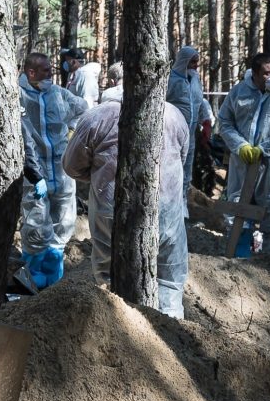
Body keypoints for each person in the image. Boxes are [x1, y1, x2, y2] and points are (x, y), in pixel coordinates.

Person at [63, 83, 192, 318]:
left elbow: (71, 165)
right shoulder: (173, 113)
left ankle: (119, 331)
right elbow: (183, 155)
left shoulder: (97, 117)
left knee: (109, 276)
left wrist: (98, 176)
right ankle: (171, 334)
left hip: (111, 208)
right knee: (169, 278)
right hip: (168, 208)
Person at [215, 51, 270, 256]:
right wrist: (240, 146)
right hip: (244, 162)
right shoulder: (239, 92)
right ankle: (239, 258)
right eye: (266, 73)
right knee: (238, 209)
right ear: (254, 74)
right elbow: (225, 121)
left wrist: (265, 148)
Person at [17, 50, 85, 290]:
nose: (51, 74)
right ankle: (33, 282)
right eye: (46, 70)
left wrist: (72, 130)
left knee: (63, 225)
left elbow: (83, 108)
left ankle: (53, 283)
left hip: (62, 172)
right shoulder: (18, 96)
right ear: (31, 72)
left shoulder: (58, 94)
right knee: (35, 227)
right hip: (35, 174)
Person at [166, 44, 210, 188]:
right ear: (183, 60)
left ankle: (183, 208)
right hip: (171, 136)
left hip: (190, 136)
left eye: (197, 62)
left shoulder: (195, 79)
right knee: (170, 174)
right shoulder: (170, 80)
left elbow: (200, 101)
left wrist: (206, 121)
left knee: (186, 175)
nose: (196, 65)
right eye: (193, 61)